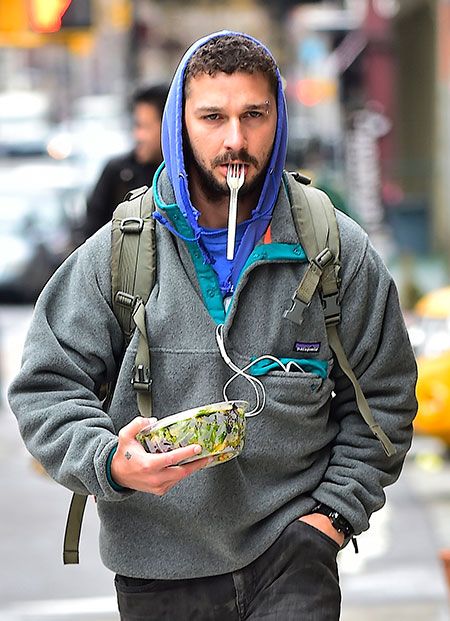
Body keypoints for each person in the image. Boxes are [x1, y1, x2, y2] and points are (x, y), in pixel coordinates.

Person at [8, 31, 417, 620]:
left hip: (294, 552)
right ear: (180, 123)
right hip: (157, 566)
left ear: (279, 118)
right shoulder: (121, 251)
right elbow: (45, 389)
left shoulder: (333, 248)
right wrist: (109, 462)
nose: (235, 139)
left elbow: (385, 396)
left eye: (254, 115)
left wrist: (331, 517)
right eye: (212, 117)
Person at [83, 83, 168, 238]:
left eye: (144, 127)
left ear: (167, 125)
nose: (138, 136)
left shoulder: (189, 176)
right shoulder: (118, 173)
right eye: (136, 126)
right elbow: (89, 235)